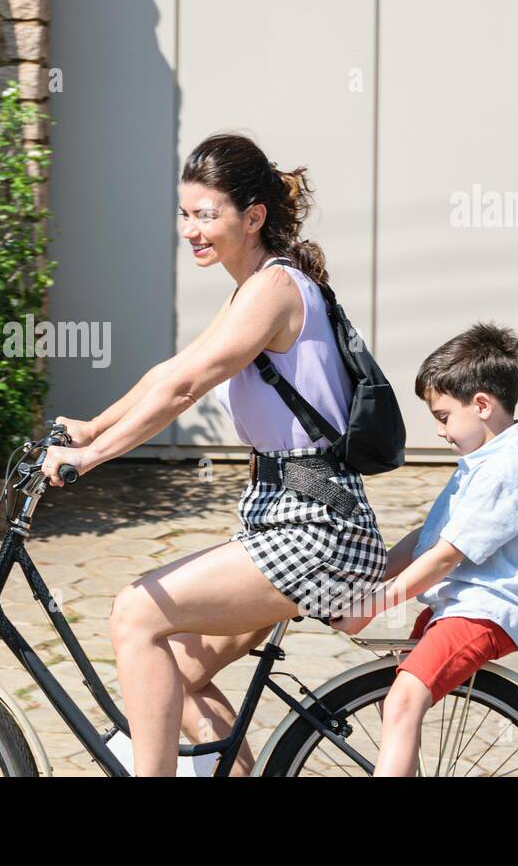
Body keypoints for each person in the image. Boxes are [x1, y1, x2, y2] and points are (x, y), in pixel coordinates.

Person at [40, 132, 388, 776]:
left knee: (136, 613)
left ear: (253, 216)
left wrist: (93, 460)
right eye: (185, 213)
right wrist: (92, 427)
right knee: (174, 670)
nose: (192, 229)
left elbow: (182, 389)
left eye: (208, 215)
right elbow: (170, 369)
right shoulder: (252, 287)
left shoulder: (275, 289)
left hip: (316, 528)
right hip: (284, 516)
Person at [329, 323, 518, 776]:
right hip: (457, 604)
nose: (438, 430)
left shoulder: (512, 469)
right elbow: (424, 540)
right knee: (391, 696)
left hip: (485, 610)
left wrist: (371, 604)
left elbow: (445, 557)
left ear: (481, 405)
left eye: (442, 416)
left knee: (402, 700)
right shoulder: (480, 463)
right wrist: (365, 578)